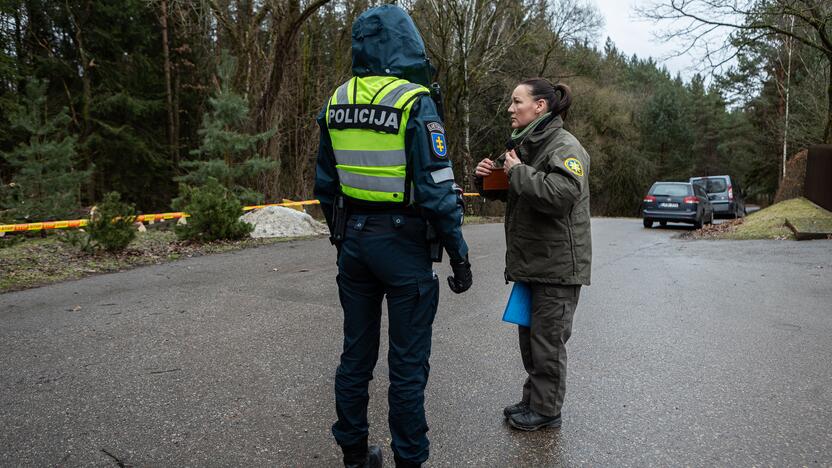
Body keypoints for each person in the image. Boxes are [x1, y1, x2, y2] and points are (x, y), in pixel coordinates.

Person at [314, 5, 472, 467]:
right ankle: (409, 459)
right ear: (407, 44)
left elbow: (325, 186)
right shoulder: (414, 101)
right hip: (403, 245)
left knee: (354, 359)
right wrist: (458, 256)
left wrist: (342, 238)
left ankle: (355, 454)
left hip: (355, 243)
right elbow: (439, 191)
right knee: (406, 367)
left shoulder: (336, 100)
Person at [474, 78, 592, 431]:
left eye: (517, 102)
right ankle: (534, 400)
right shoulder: (526, 143)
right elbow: (514, 189)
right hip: (533, 263)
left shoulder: (564, 146)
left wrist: (517, 172)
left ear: (539, 106)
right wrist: (487, 178)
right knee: (532, 340)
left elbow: (560, 195)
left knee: (548, 342)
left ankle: (547, 411)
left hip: (558, 266)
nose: (510, 109)